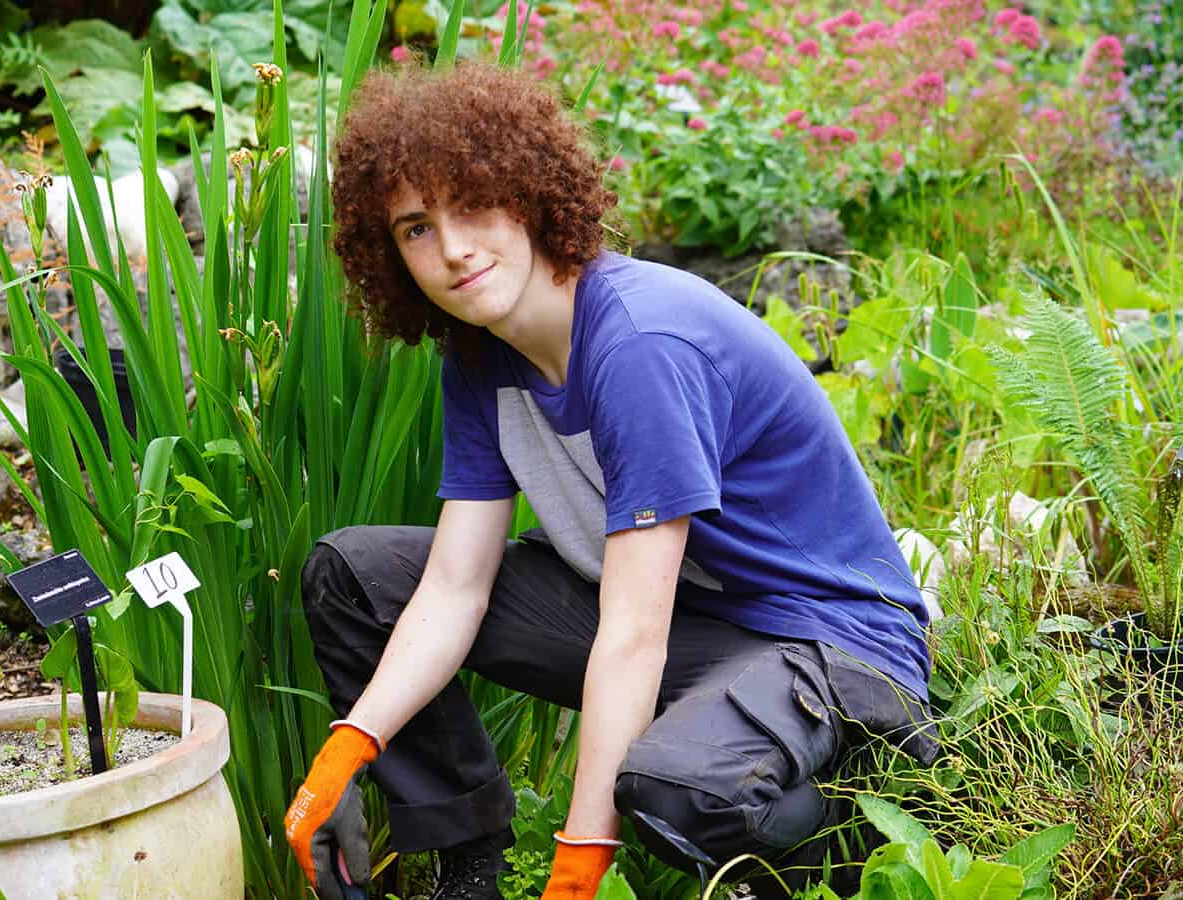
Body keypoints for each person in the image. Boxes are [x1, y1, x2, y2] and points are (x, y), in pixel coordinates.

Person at [281, 60, 940, 900]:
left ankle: (855, 832)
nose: (451, 249)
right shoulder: (479, 359)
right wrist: (345, 753)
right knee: (357, 576)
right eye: (415, 227)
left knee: (680, 790)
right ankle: (471, 862)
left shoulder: (639, 344)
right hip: (700, 630)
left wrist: (580, 867)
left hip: (830, 646)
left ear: (526, 195)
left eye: (472, 204)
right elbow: (453, 586)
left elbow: (633, 636)